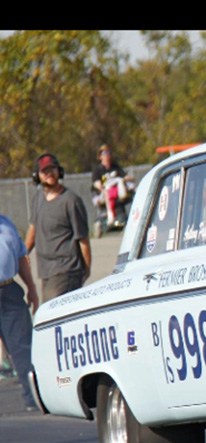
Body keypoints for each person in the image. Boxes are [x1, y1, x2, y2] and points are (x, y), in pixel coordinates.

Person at [25, 153, 92, 302]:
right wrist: (23, 252)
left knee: (50, 314)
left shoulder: (71, 201)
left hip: (67, 270)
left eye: (52, 169)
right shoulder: (38, 200)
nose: (50, 173)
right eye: (45, 171)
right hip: (46, 271)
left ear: (59, 171)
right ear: (37, 176)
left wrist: (86, 270)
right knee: (49, 314)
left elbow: (83, 240)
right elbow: (33, 229)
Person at [0, 212, 39, 410]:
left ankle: (33, 399)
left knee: (24, 349)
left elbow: (21, 257)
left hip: (9, 291)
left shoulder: (6, 223)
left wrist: (31, 287)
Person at [91, 144, 134, 231]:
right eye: (104, 153)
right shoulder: (98, 170)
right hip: (103, 193)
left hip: (117, 192)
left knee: (132, 190)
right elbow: (97, 184)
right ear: (100, 157)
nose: (107, 155)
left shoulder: (115, 167)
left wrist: (121, 179)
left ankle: (130, 216)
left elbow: (126, 177)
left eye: (109, 153)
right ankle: (110, 217)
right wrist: (103, 187)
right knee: (107, 192)